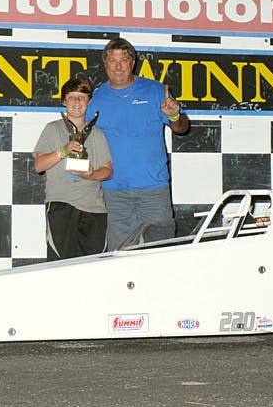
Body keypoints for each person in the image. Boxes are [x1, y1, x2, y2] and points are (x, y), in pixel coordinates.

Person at [88, 38, 189, 250]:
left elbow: (182, 128)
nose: (118, 66)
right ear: (105, 64)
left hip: (154, 190)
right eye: (112, 60)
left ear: (132, 63)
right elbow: (84, 143)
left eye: (123, 60)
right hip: (113, 192)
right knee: (120, 257)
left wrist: (174, 116)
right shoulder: (95, 99)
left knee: (159, 254)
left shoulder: (156, 91)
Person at [33, 76, 113, 259]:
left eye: (82, 97)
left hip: (94, 208)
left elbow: (107, 171)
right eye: (71, 97)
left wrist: (91, 175)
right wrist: (64, 150)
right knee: (61, 266)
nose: (77, 101)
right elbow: (39, 166)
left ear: (89, 101)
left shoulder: (97, 134)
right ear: (64, 101)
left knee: (93, 266)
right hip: (61, 205)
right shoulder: (52, 129)